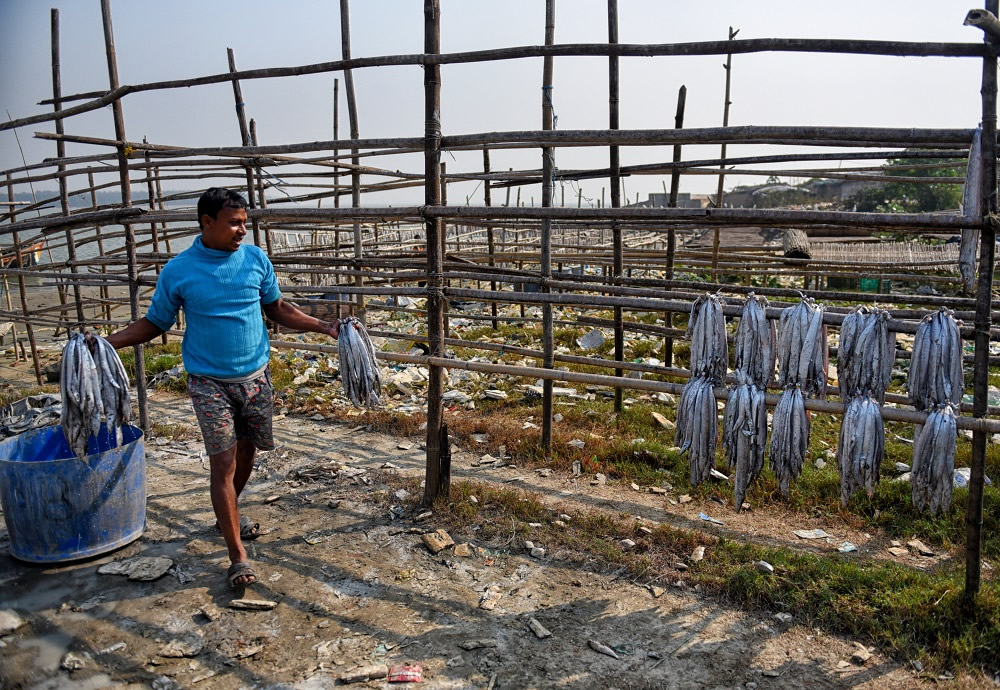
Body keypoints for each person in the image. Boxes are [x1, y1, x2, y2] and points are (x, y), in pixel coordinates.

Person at [105, 187, 340, 590]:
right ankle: (237, 556)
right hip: (208, 382)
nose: (242, 230)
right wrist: (108, 343)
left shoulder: (255, 260)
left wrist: (324, 326)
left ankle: (226, 514)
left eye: (245, 222)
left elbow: (278, 309)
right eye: (234, 223)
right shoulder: (179, 270)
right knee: (224, 463)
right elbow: (155, 323)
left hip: (256, 378)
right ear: (206, 223)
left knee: (248, 451)